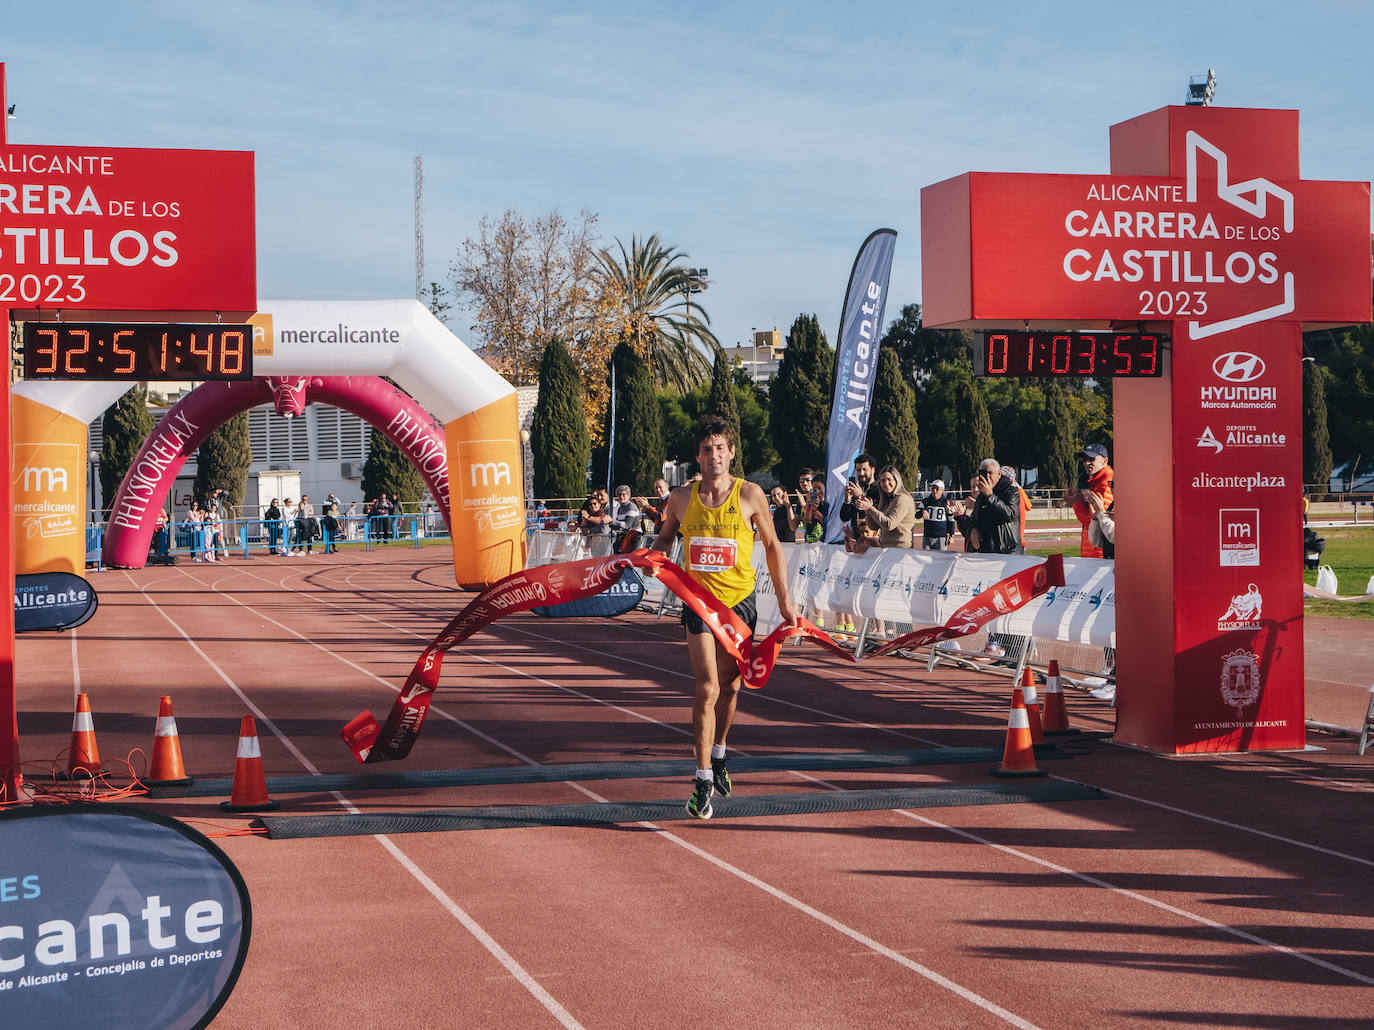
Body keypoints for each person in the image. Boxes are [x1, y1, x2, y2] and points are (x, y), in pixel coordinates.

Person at [648, 414, 798, 820]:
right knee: (707, 690)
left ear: (731, 453)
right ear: (696, 456)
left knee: (731, 691)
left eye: (719, 448)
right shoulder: (681, 498)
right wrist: (654, 553)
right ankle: (700, 781)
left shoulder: (750, 495)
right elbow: (665, 536)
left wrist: (785, 602)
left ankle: (718, 753)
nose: (712, 455)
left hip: (739, 606)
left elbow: (772, 547)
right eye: (705, 449)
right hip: (698, 603)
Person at [851, 465, 915, 554]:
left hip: (900, 549)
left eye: (889, 479)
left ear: (896, 480)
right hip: (885, 549)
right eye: (882, 480)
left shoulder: (902, 499)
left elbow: (889, 524)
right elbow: (873, 526)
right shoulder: (885, 500)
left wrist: (870, 508)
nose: (886, 483)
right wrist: (867, 510)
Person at [1065, 443, 1114, 558]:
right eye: (1084, 460)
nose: (1086, 463)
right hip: (1095, 551)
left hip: (1099, 553)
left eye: (1091, 459)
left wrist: (1076, 503)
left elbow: (1094, 522)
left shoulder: (1106, 485)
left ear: (1104, 461)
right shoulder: (1097, 483)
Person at [968, 458, 1021, 554]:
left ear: (999, 474)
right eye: (983, 473)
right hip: (986, 551)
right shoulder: (981, 496)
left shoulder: (1011, 491)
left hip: (1007, 551)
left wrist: (990, 496)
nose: (987, 477)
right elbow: (974, 518)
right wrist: (972, 529)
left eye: (990, 473)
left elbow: (1010, 514)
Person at [839, 454, 880, 552]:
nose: (861, 473)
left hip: (874, 543)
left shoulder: (879, 489)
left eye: (864, 469)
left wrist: (860, 496)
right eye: (858, 470)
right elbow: (844, 517)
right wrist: (847, 500)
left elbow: (878, 511)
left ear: (872, 469)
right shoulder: (855, 489)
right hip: (857, 542)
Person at [916, 480, 955, 550]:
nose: (934, 491)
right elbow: (917, 515)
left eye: (937, 489)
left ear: (942, 490)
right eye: (933, 488)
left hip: (941, 537)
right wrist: (923, 511)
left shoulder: (946, 502)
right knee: (925, 558)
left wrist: (951, 535)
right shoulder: (925, 501)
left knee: (941, 559)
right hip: (927, 536)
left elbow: (951, 520)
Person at [1085, 490, 1115, 559]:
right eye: (1111, 484)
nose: (1112, 489)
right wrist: (1096, 518)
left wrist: (1101, 512)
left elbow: (1114, 537)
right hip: (1109, 564)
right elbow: (1097, 542)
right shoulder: (1113, 505)